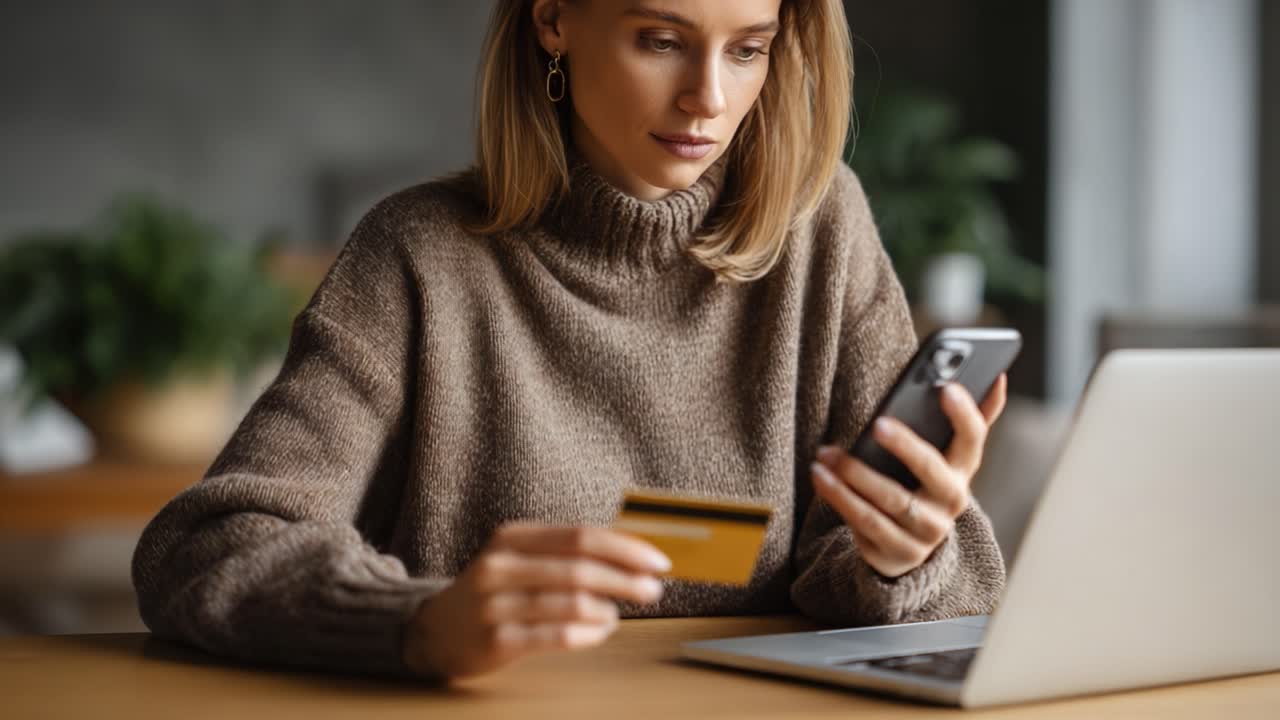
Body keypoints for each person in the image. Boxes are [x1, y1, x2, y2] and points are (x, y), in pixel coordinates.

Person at [132, 0, 1008, 681]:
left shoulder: (823, 233)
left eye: (749, 48)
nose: (709, 96)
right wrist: (415, 622)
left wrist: (905, 555)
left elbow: (950, 597)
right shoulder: (416, 256)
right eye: (661, 40)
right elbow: (205, 549)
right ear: (553, 19)